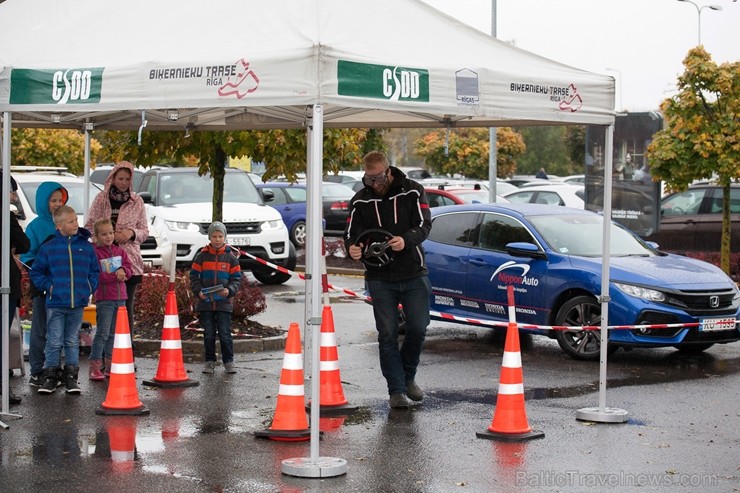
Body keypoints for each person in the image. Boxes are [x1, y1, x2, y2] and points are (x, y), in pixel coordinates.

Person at [344, 151, 432, 409]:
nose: (375, 183)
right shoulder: (360, 200)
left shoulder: (413, 191)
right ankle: (396, 389)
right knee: (387, 334)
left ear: (389, 171)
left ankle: (408, 377)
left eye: (379, 177)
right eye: (369, 179)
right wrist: (352, 248)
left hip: (413, 272)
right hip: (379, 276)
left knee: (418, 327)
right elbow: (351, 235)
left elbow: (424, 225)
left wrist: (406, 240)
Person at [30, 205, 99, 394]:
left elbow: (95, 270)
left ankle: (71, 378)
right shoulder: (49, 248)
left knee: (70, 341)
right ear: (59, 226)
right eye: (71, 221)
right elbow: (36, 271)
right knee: (53, 340)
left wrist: (89, 287)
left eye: (76, 220)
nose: (76, 223)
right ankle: (51, 377)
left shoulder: (86, 247)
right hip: (56, 303)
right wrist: (49, 287)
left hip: (77, 303)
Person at [85, 161, 148, 354]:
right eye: (120, 178)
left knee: (125, 306)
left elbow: (144, 231)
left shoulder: (137, 201)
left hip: (129, 262)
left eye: (127, 179)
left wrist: (130, 233)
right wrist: (103, 239)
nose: (123, 182)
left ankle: (126, 349)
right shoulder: (101, 199)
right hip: (104, 261)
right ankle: (104, 352)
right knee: (106, 307)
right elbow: (89, 226)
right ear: (112, 178)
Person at [19, 181, 69, 388]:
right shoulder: (36, 227)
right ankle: (37, 371)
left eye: (60, 200)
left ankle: (53, 369)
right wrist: (41, 275)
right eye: (53, 200)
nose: (57, 204)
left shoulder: (67, 223)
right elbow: (27, 256)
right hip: (43, 287)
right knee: (40, 330)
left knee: (59, 330)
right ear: (43, 202)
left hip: (64, 287)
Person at [190, 222, 242, 374]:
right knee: (209, 334)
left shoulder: (231, 259)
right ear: (209, 237)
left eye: (220, 236)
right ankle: (209, 361)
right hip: (205, 303)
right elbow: (194, 277)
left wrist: (229, 290)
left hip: (224, 303)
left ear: (225, 237)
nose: (217, 239)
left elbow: (237, 279)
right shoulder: (201, 256)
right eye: (214, 236)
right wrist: (198, 291)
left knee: (225, 334)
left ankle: (228, 361)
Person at [89, 218, 133, 381]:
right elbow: (95, 275)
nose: (108, 237)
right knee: (102, 333)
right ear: (97, 236)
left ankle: (109, 364)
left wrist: (123, 271)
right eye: (104, 234)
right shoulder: (95, 253)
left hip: (121, 298)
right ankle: (94, 366)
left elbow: (129, 268)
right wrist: (113, 276)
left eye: (111, 233)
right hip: (105, 298)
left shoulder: (120, 251)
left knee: (114, 334)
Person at [0, 173, 30, 405]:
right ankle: (3, 390)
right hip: (5, 283)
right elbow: (24, 244)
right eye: (11, 190)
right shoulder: (7, 216)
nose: (13, 196)